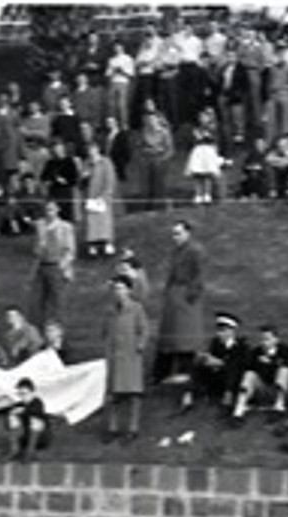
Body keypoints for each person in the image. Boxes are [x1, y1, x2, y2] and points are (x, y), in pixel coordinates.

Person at [155, 220, 207, 383]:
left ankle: (185, 371)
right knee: (169, 333)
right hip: (174, 295)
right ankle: (163, 372)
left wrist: (191, 294)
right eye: (173, 234)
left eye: (178, 233)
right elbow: (172, 273)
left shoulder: (196, 251)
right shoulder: (176, 251)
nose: (175, 237)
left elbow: (199, 275)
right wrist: (168, 290)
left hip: (186, 296)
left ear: (187, 233)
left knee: (186, 335)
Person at [102, 277, 148, 444]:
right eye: (116, 289)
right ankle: (112, 428)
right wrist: (107, 349)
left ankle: (132, 429)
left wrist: (140, 345)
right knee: (113, 394)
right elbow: (105, 331)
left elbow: (144, 329)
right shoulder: (110, 310)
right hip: (115, 357)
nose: (118, 292)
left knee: (133, 394)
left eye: (122, 288)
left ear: (129, 290)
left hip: (131, 356)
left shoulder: (136, 308)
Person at [180, 312, 248, 413]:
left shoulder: (242, 346)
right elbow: (211, 357)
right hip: (216, 377)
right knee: (198, 361)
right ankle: (188, 394)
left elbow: (240, 365)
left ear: (231, 331)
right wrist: (208, 360)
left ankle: (227, 397)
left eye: (222, 331)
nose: (219, 334)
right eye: (218, 331)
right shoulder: (215, 343)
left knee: (232, 368)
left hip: (232, 381)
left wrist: (221, 363)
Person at [232, 324, 288, 423]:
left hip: (281, 389)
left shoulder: (286, 350)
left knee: (284, 370)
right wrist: (261, 364)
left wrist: (271, 363)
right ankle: (238, 411)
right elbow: (248, 367)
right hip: (263, 389)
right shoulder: (256, 352)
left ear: (276, 340)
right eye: (262, 339)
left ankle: (279, 407)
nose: (264, 343)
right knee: (250, 375)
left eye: (267, 339)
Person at [30, 201, 75, 328]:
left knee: (58, 303)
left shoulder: (65, 227)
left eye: (52, 209)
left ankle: (59, 334)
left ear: (57, 210)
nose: (49, 212)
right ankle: (39, 330)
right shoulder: (40, 225)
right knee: (38, 301)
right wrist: (39, 248)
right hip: (42, 266)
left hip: (57, 266)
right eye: (47, 209)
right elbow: (35, 249)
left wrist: (62, 267)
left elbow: (70, 250)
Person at [4, 377, 50, 462]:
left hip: (40, 439)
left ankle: (30, 452)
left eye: (25, 393)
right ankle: (15, 450)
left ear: (33, 393)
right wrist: (11, 416)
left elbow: (36, 411)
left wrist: (23, 411)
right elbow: (7, 426)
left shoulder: (38, 403)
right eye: (20, 394)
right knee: (12, 417)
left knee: (35, 421)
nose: (23, 396)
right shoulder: (18, 405)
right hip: (24, 437)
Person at [84, 142, 118, 257]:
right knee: (92, 223)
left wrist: (105, 195)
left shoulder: (106, 162)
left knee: (105, 222)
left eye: (92, 150)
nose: (91, 153)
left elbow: (110, 180)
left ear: (97, 150)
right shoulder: (86, 164)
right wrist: (84, 177)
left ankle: (108, 245)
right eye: (89, 151)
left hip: (103, 198)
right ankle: (92, 246)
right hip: (90, 198)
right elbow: (81, 183)